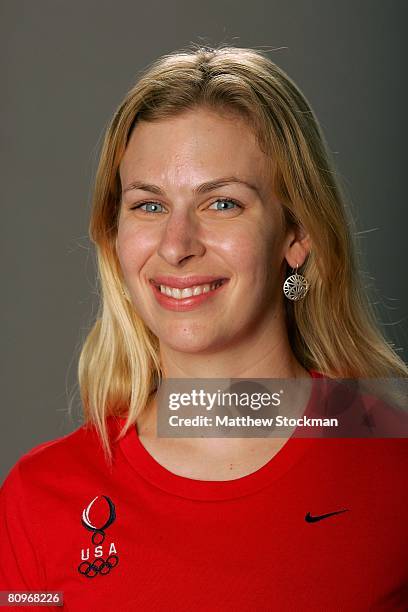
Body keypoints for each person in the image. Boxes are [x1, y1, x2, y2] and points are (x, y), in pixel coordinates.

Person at [1, 45, 407, 611]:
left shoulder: (395, 472)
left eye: (222, 203)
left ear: (298, 234)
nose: (176, 244)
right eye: (148, 206)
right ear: (113, 235)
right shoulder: (38, 499)